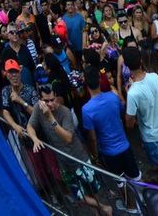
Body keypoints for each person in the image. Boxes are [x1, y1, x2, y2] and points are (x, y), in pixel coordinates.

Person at [27, 84, 112, 216]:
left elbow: (68, 137)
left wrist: (51, 118)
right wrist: (35, 139)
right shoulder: (38, 109)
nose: (50, 104)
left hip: (79, 158)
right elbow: (30, 126)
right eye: (46, 101)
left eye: (52, 99)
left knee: (92, 192)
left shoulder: (65, 112)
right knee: (78, 196)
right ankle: (105, 208)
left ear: (56, 97)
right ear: (40, 100)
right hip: (64, 163)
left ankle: (99, 212)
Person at [82, 65, 141, 211]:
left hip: (109, 153)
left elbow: (92, 138)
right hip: (125, 146)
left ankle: (132, 207)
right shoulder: (113, 97)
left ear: (86, 83)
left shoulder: (86, 109)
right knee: (136, 177)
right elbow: (122, 110)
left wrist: (95, 157)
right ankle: (145, 202)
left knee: (120, 181)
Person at [123, 47, 158, 187]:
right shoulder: (154, 76)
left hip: (151, 136)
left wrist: (128, 92)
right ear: (141, 61)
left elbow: (129, 123)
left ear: (127, 66)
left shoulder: (132, 93)